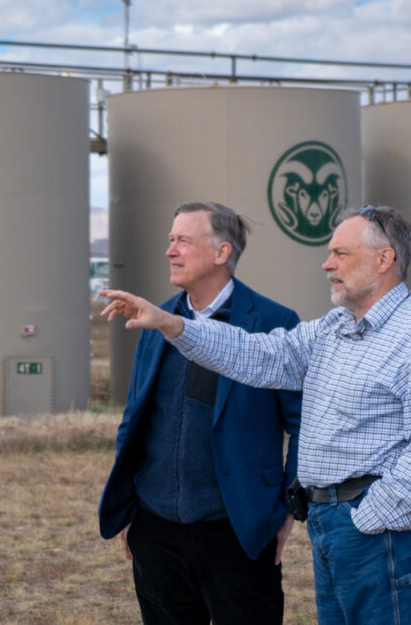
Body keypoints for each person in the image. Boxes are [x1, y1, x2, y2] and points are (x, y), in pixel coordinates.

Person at [101, 205, 411, 624]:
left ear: (384, 260)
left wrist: (370, 516)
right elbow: (258, 354)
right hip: (331, 524)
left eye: (340, 254)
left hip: (374, 528)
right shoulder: (335, 328)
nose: (326, 264)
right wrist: (175, 325)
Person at [97, 201, 303, 625]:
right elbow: (135, 417)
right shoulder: (155, 319)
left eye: (183, 241)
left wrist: (288, 509)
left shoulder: (274, 322)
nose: (170, 251)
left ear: (221, 253)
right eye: (170, 241)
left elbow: (304, 426)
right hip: (155, 530)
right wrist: (130, 504)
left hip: (238, 531)